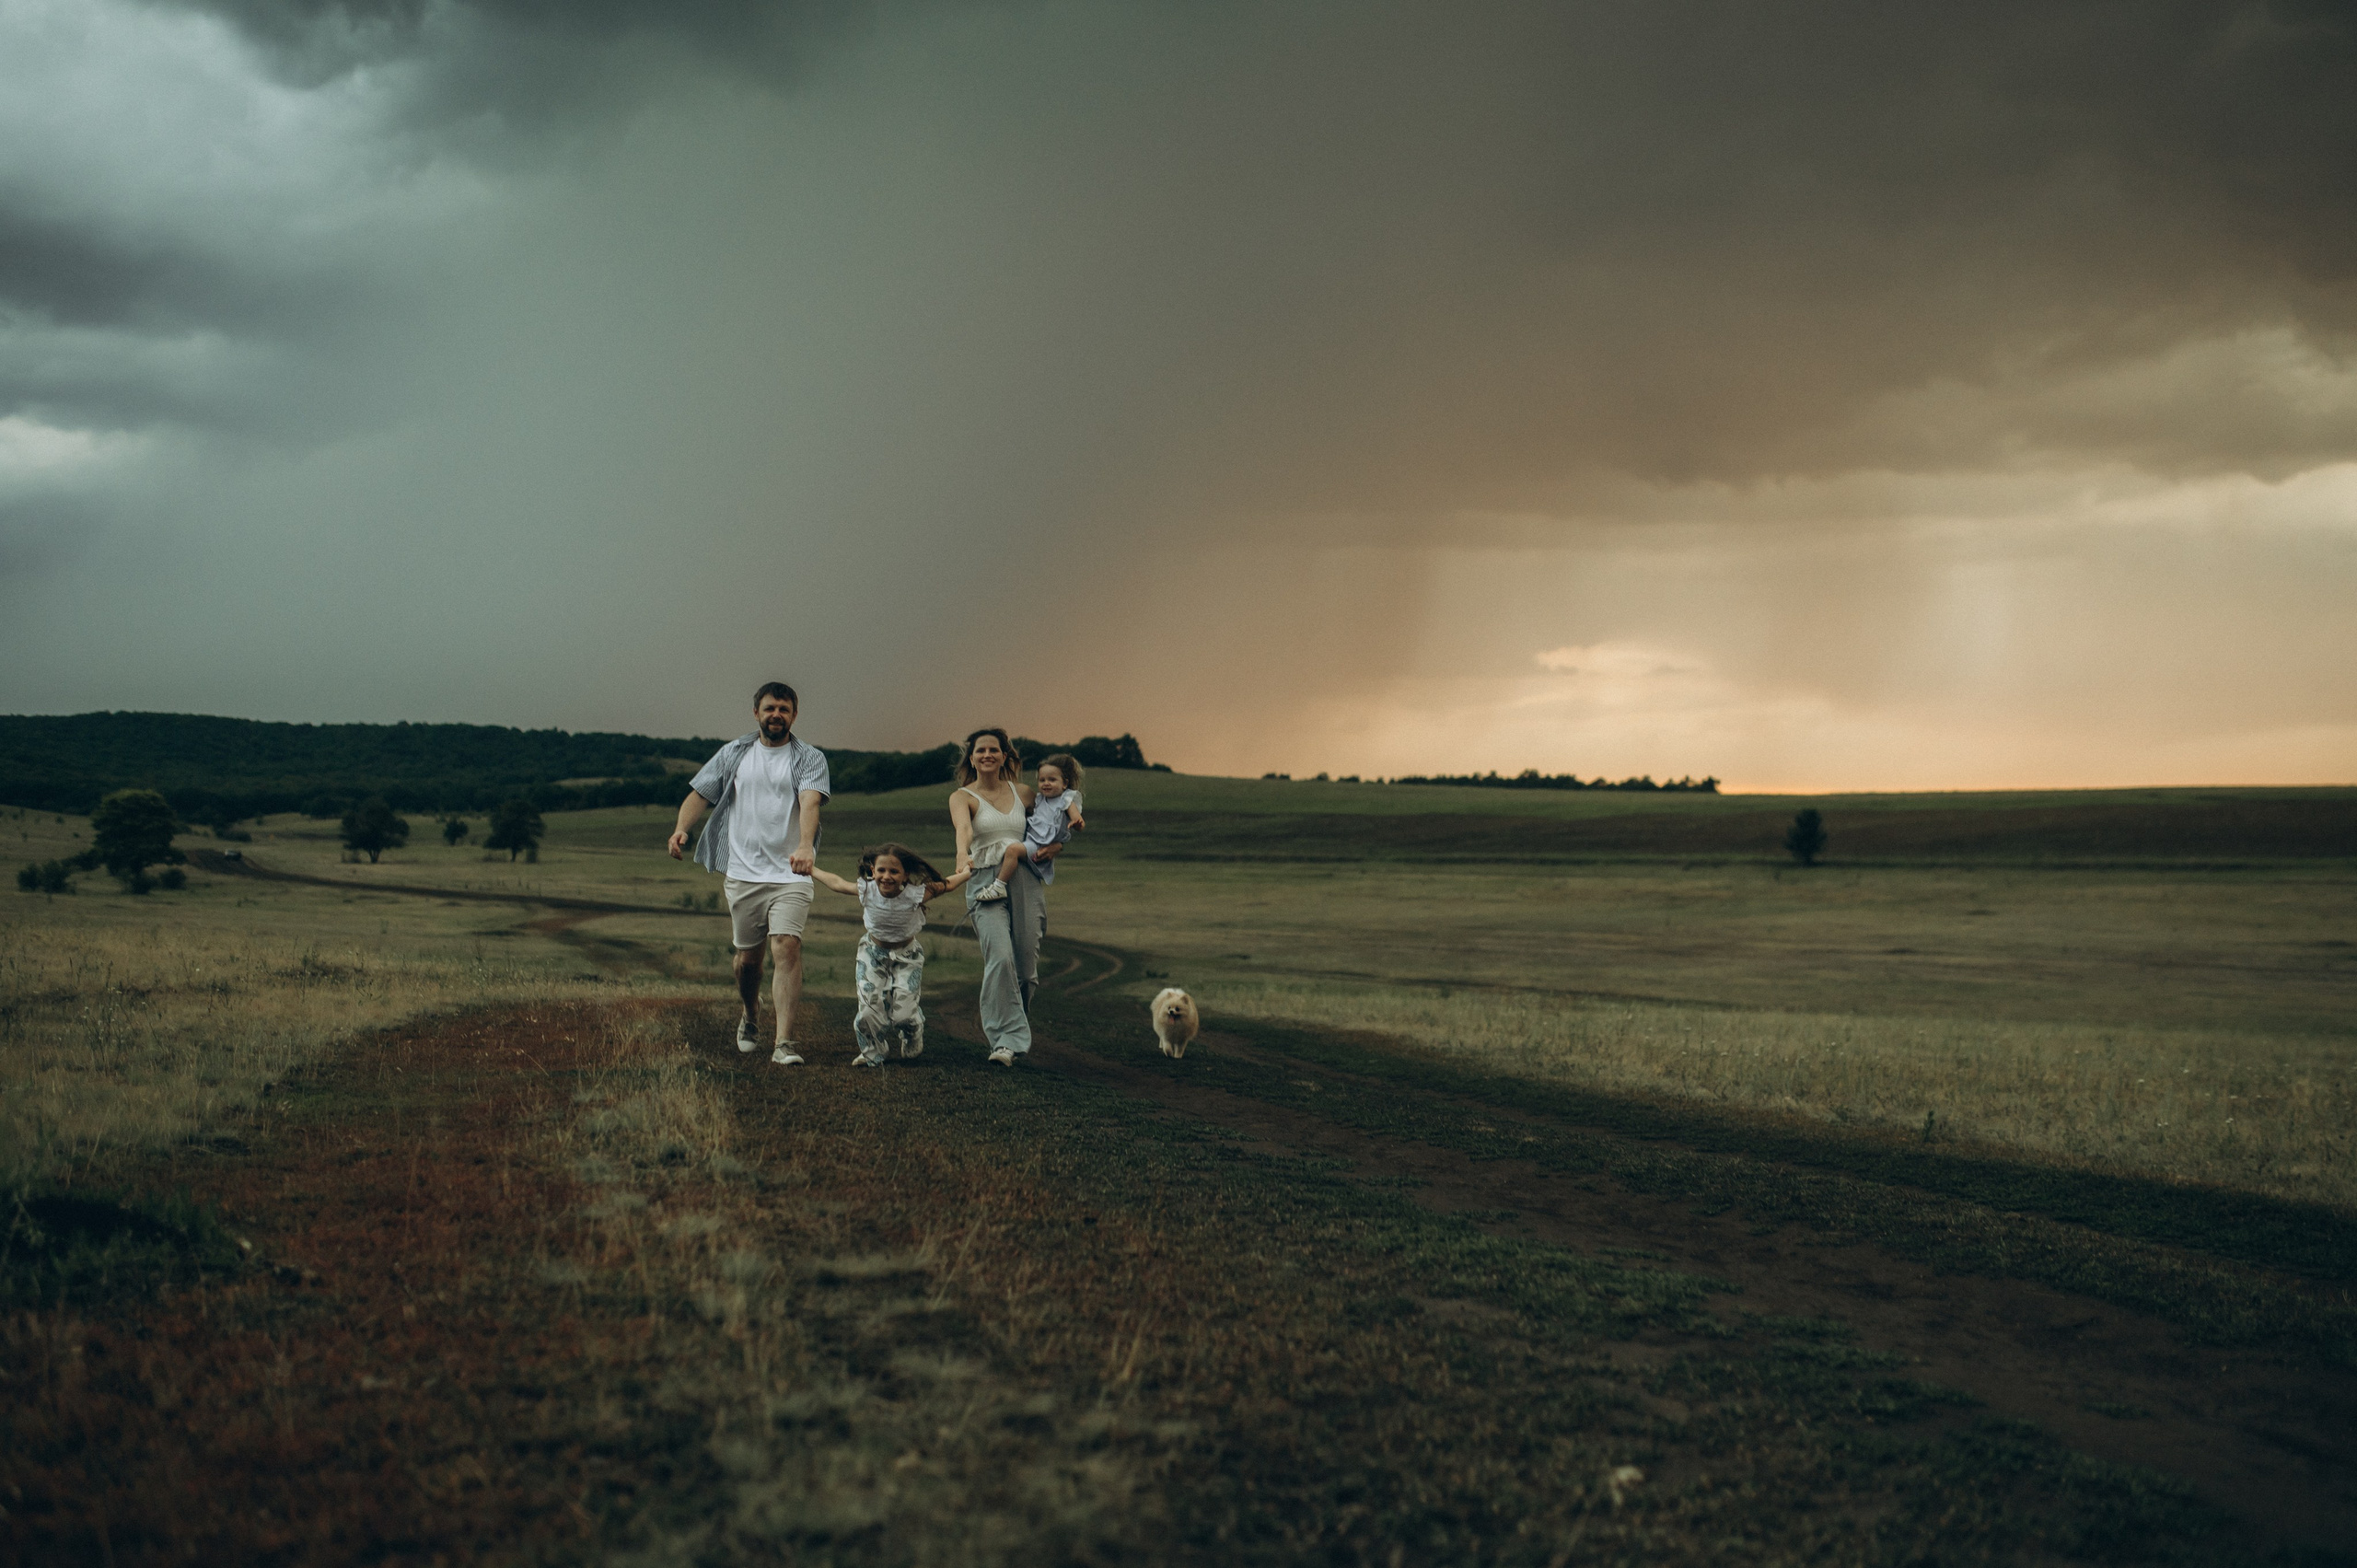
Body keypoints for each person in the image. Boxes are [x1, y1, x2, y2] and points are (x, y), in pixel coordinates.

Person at [668, 681, 831, 1064]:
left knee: (786, 946)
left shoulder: (809, 757)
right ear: (756, 712)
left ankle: (784, 1044)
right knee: (747, 962)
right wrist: (682, 828)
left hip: (791, 872)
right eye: (770, 708)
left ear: (794, 715)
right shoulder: (733, 753)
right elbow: (700, 794)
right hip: (743, 873)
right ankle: (750, 1013)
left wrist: (806, 846)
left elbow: (810, 803)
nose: (777, 715)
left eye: (785, 709)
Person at [948, 727, 1062, 1064]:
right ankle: (1004, 1042)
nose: (987, 755)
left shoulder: (1025, 793)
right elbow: (964, 830)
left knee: (1025, 969)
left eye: (993, 750)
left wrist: (1057, 845)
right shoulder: (962, 796)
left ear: (1004, 756)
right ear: (971, 757)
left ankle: (1015, 1034)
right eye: (980, 750)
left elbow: (1053, 822)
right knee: (1000, 957)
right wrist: (960, 855)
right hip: (984, 879)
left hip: (1024, 877)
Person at [811, 843, 969, 1067]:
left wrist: (967, 873)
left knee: (903, 1013)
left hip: (907, 957)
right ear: (872, 871)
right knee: (868, 1008)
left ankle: (912, 1030)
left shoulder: (915, 894)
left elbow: (948, 885)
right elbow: (838, 884)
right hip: (872, 954)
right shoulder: (867, 889)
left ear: (905, 875)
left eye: (894, 872)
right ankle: (873, 1051)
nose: (887, 877)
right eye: (881, 871)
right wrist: (812, 870)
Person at [972, 752, 1086, 900]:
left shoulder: (1066, 799)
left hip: (1040, 845)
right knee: (1008, 848)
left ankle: (998, 886)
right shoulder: (1039, 799)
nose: (1046, 783)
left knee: (1013, 850)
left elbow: (1078, 821)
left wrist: (1077, 824)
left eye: (1052, 780)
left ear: (1064, 783)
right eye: (1042, 780)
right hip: (1032, 841)